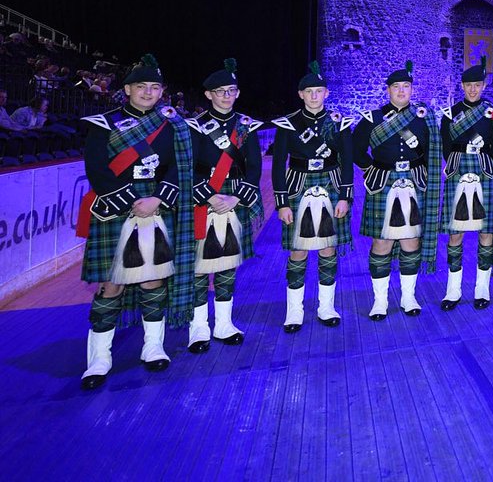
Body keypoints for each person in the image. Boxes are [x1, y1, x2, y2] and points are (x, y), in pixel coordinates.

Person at [75, 54, 195, 390]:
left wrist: (157, 199)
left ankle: (152, 346)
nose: (148, 92)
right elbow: (97, 169)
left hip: (158, 205)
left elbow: (177, 168)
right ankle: (99, 358)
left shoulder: (173, 126)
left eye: (154, 87)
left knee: (153, 279)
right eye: (141, 86)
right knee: (110, 283)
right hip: (117, 208)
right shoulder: (103, 124)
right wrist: (133, 202)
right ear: (127, 89)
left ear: (162, 92)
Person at [184, 59, 264, 353]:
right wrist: (208, 195)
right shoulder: (193, 127)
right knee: (199, 268)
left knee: (228, 266)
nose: (227, 96)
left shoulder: (246, 126)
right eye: (221, 91)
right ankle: (198, 327)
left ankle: (224, 324)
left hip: (234, 197)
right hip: (203, 197)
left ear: (238, 93)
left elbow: (254, 167)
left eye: (232, 91)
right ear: (209, 95)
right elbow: (187, 167)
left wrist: (237, 198)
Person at [352, 61, 442, 320]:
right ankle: (379, 301)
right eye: (396, 87)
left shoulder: (424, 118)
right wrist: (371, 168)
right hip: (383, 182)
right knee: (382, 241)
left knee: (411, 240)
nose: (401, 91)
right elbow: (355, 150)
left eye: (406, 86)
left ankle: (408, 296)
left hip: (414, 182)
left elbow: (432, 152)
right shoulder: (373, 119)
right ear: (388, 90)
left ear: (412, 89)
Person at [271, 62, 354, 332]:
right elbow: (278, 164)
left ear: (327, 94)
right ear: (301, 94)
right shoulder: (287, 124)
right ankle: (294, 311)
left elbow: (347, 162)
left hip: (330, 185)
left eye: (319, 91)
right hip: (298, 186)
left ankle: (326, 306)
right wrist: (282, 203)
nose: (315, 96)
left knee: (329, 248)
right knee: (298, 250)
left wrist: (345, 197)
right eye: (310, 92)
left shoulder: (340, 123)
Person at [439, 56, 493, 310]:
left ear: (483, 86)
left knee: (486, 232)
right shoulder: (450, 114)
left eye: (477, 85)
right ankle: (453, 289)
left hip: (485, 172)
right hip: (459, 172)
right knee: (455, 233)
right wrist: (459, 162)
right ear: (462, 86)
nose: (472, 89)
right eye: (468, 85)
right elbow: (446, 148)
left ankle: (482, 288)